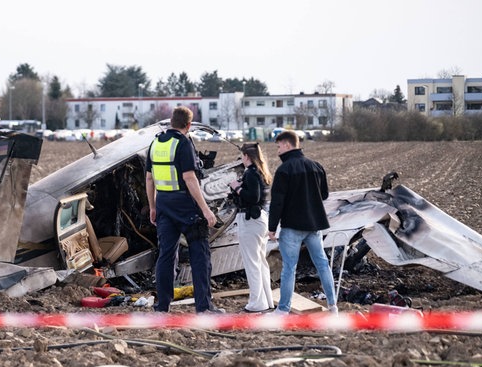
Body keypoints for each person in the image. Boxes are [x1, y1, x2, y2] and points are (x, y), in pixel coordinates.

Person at [145, 107, 223, 314]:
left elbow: (149, 178)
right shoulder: (183, 143)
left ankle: (162, 306)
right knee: (200, 255)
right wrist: (205, 210)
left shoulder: (155, 143)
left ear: (171, 122)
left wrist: (152, 207)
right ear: (188, 125)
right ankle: (204, 307)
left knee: (166, 256)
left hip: (163, 204)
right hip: (186, 205)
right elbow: (190, 178)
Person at [267, 131, 338, 315]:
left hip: (292, 227)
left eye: (279, 146)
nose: (278, 150)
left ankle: (283, 310)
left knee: (289, 269)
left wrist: (272, 228)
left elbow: (277, 202)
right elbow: (324, 195)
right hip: (314, 226)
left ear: (288, 145)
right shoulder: (316, 166)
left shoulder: (284, 170)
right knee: (322, 264)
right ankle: (333, 306)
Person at [229, 142, 274, 313]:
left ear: (246, 156)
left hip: (250, 221)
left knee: (252, 263)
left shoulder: (251, 174)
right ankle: (266, 301)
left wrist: (237, 188)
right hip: (260, 220)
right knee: (260, 262)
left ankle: (256, 303)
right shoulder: (260, 172)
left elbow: (252, 197)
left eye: (242, 155)